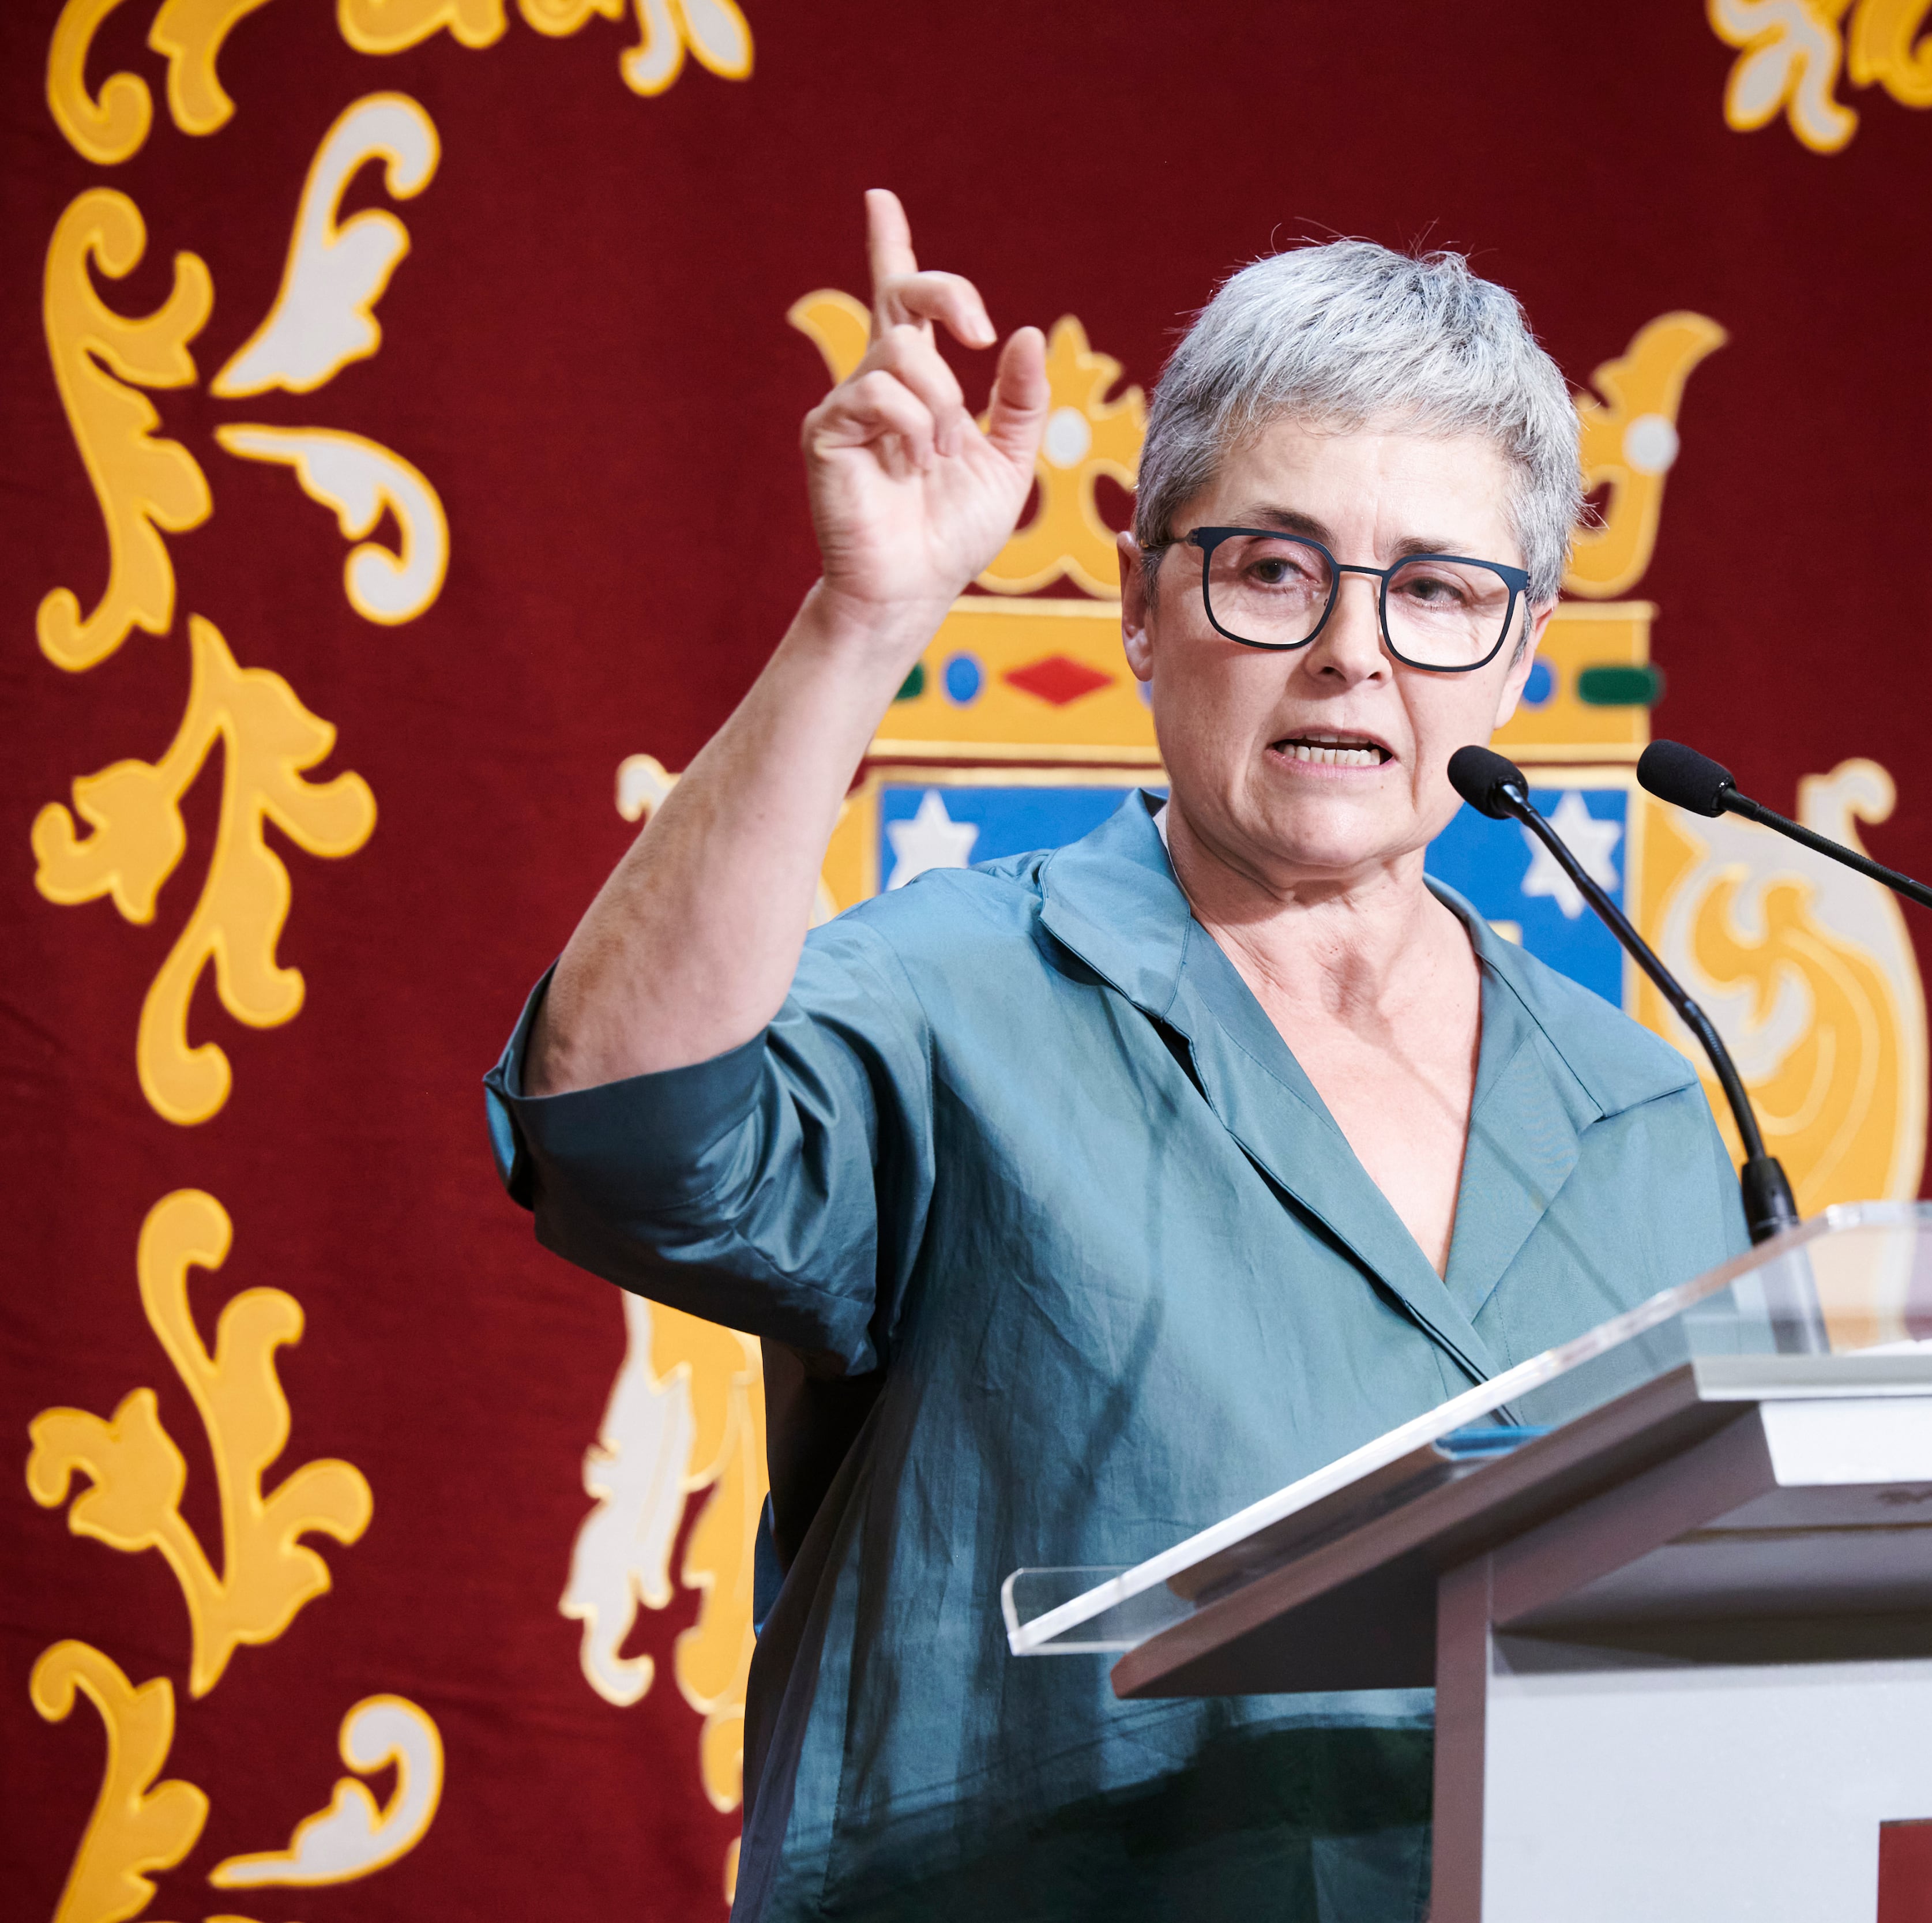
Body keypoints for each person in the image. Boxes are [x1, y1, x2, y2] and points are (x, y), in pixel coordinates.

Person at [483, 190, 1741, 1921]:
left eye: (1440, 589)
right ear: (1146, 609)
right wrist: (861, 620)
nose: (1352, 648)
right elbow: (622, 1131)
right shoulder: (952, 997)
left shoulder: (1653, 1110)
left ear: (1519, 657)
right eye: (1275, 567)